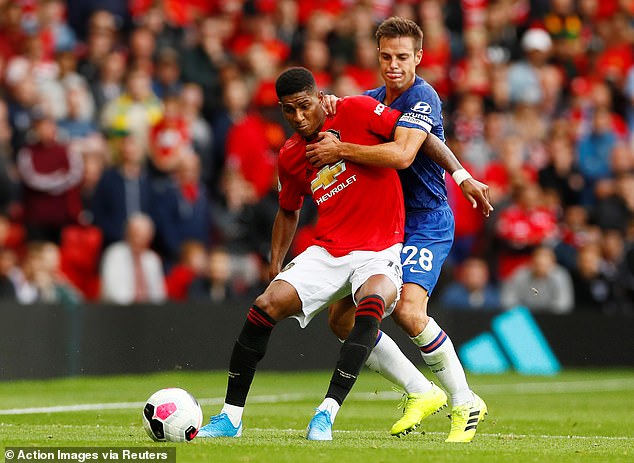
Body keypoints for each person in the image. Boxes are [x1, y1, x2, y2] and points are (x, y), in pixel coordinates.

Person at [198, 67, 411, 441]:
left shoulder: (356, 110)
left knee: (370, 305)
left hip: (380, 248)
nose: (298, 117)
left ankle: (326, 413)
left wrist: (342, 149)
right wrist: (275, 262)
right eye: (288, 110)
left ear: (319, 97)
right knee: (265, 305)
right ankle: (230, 417)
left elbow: (407, 145)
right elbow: (288, 209)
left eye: (304, 106)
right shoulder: (291, 154)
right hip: (329, 250)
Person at [308, 17, 492, 442]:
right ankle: (420, 389)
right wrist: (329, 108)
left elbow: (407, 152)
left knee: (409, 311)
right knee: (342, 319)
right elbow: (423, 139)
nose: (394, 65)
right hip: (384, 225)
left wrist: (341, 148)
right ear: (378, 56)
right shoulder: (372, 100)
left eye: (403, 57)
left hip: (425, 220)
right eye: (387, 56)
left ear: (419, 57)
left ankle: (464, 401)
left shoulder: (423, 95)